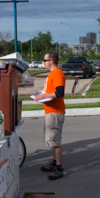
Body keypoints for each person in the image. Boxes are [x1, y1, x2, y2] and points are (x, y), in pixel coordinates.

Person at [34, 52, 66, 180]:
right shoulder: (52, 74)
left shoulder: (57, 73)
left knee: (56, 141)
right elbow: (51, 90)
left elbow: (59, 92)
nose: (43, 62)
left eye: (45, 60)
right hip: (50, 111)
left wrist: (43, 96)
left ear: (51, 61)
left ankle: (59, 168)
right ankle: (54, 163)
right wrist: (42, 93)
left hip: (55, 112)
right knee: (52, 140)